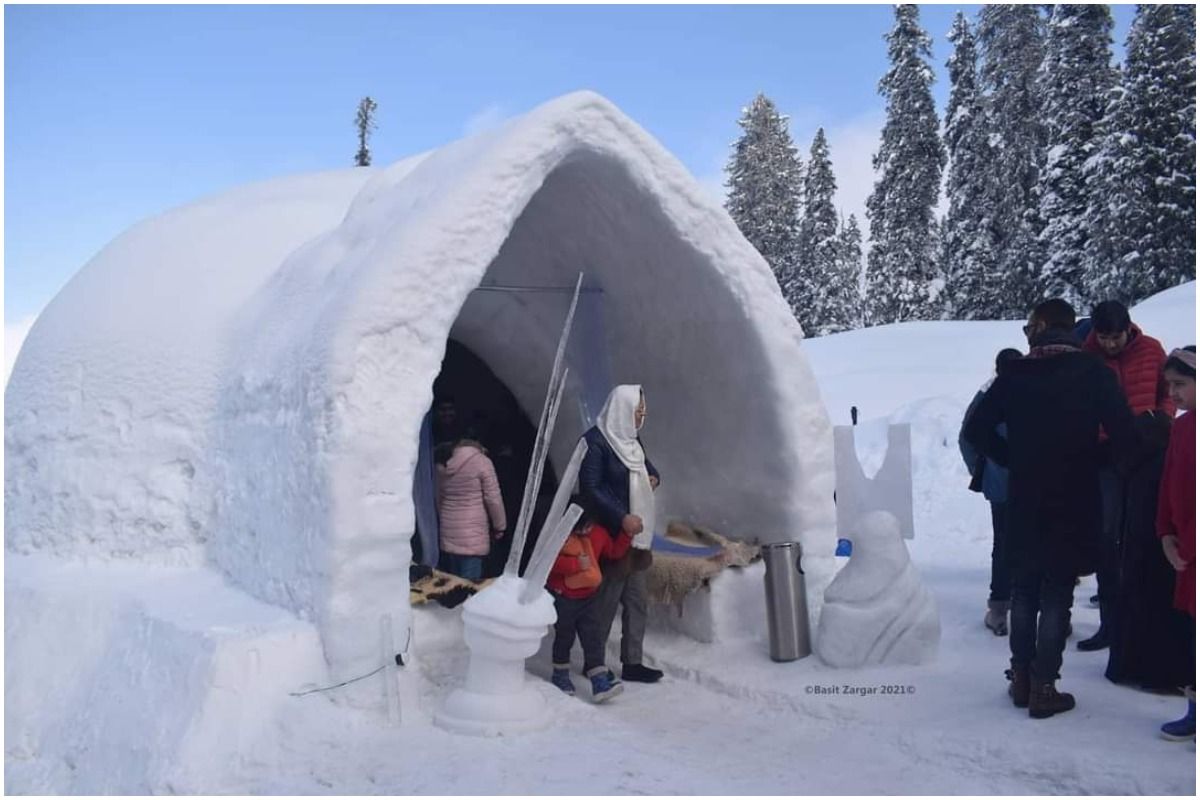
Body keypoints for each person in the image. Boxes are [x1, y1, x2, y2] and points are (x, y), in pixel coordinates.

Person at [965, 299, 1137, 719]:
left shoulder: (1014, 374)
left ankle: (1021, 678)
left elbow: (976, 429)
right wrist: (1095, 459)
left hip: (1025, 493)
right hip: (1075, 494)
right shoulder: (1093, 373)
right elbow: (1125, 436)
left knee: (1025, 586)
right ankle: (1045, 685)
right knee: (1058, 589)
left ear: (1041, 326)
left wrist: (1014, 458)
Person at [1078, 300, 1175, 652]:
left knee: (1143, 534)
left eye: (1115, 337)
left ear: (1128, 329)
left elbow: (1168, 392)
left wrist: (1160, 418)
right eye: (1103, 337)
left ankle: (1141, 621)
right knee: (1107, 536)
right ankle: (1110, 623)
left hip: (1147, 451)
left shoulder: (1151, 350)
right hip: (1104, 457)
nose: (1110, 344)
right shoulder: (1085, 357)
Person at [579, 384, 664, 684]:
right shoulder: (596, 442)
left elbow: (645, 466)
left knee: (637, 599)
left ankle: (633, 662)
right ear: (622, 409)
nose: (641, 418)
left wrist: (653, 477)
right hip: (612, 536)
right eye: (637, 412)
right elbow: (591, 487)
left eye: (643, 413)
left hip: (638, 536)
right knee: (606, 601)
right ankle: (594, 662)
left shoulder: (631, 438)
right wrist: (621, 516)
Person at [960, 347, 1023, 635]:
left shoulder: (987, 397)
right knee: (1037, 541)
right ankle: (1048, 611)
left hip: (999, 485)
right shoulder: (1034, 393)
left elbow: (967, 437)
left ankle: (999, 609)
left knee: (1003, 545)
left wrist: (980, 470)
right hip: (1035, 482)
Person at [546, 499, 635, 703]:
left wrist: (627, 534)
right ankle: (560, 674)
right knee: (564, 636)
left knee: (593, 638)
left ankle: (599, 680)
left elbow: (613, 552)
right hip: (564, 597)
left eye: (589, 525)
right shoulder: (559, 536)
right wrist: (574, 564)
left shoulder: (599, 533)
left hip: (589, 598)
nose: (586, 529)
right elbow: (549, 562)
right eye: (582, 525)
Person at [1157, 347, 1196, 741]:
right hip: (1186, 554)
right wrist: (1166, 535)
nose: (1173, 393)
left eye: (1181, 384)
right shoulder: (1183, 427)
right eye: (1170, 385)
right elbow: (1169, 485)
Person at [435, 438, 506, 581]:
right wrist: (500, 526)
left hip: (448, 529)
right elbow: (493, 498)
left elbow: (439, 498)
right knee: (469, 586)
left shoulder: (444, 464)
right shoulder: (482, 462)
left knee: (453, 583)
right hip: (472, 533)